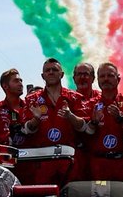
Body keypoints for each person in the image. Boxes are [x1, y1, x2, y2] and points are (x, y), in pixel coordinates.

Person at [18, 58, 86, 187]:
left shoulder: (74, 97)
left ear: (61, 74)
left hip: (70, 161)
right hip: (43, 162)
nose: (51, 72)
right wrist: (36, 119)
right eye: (47, 70)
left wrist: (70, 116)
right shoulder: (32, 99)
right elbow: (26, 129)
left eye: (54, 70)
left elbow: (84, 128)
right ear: (42, 76)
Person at [80, 62, 123, 182]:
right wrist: (93, 123)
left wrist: (121, 119)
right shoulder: (89, 105)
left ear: (118, 79)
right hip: (99, 166)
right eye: (102, 76)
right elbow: (84, 134)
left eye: (110, 76)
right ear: (97, 80)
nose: (106, 79)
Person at [0, 68, 26, 148]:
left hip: (31, 155)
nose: (20, 84)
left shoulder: (29, 106)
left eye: (21, 81)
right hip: (7, 156)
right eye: (16, 81)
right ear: (5, 86)